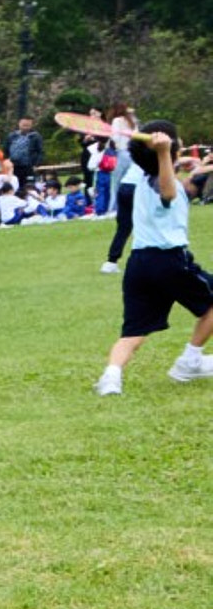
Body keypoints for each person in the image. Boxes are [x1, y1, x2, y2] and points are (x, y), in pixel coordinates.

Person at [94, 123, 213, 394]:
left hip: (139, 264)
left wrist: (186, 166)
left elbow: (177, 189)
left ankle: (111, 377)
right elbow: (169, 192)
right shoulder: (160, 181)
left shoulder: (143, 178)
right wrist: (164, 154)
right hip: (169, 260)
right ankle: (190, 361)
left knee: (133, 333)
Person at [103, 106, 142, 274]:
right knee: (143, 224)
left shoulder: (126, 124)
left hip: (126, 187)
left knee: (124, 226)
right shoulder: (144, 154)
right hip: (137, 187)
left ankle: (111, 262)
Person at [7, 116, 43, 190]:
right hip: (14, 166)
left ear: (31, 125)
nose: (25, 127)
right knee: (15, 185)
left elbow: (40, 151)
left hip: (28, 166)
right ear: (19, 123)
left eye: (28, 125)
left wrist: (36, 164)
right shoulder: (12, 136)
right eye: (24, 125)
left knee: (29, 186)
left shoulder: (36, 136)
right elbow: (6, 149)